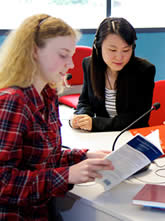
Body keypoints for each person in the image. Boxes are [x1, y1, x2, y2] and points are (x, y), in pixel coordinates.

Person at [0, 14, 114, 220]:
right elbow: (4, 183)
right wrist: (68, 174)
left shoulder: (47, 94)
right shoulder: (12, 102)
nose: (71, 64)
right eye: (63, 55)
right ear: (35, 52)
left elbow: (43, 159)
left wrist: (84, 157)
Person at [70, 17, 155, 132]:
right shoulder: (89, 64)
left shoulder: (144, 70)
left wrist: (95, 123)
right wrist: (81, 116)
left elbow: (138, 119)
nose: (119, 57)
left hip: (130, 135)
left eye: (126, 50)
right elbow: (85, 101)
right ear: (98, 47)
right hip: (102, 137)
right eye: (112, 50)